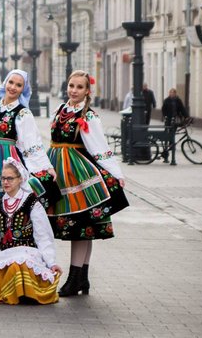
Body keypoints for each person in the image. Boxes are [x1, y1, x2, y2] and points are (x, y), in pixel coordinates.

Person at [47, 71, 128, 297]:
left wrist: (115, 173)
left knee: (81, 226)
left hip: (79, 175)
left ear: (87, 91)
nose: (73, 90)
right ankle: (82, 278)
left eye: (79, 87)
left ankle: (76, 278)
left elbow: (99, 148)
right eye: (71, 85)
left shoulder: (89, 117)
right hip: (59, 172)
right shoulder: (60, 110)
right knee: (82, 226)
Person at [0, 158, 62, 305]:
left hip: (26, 251)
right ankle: (14, 292)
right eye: (3, 178)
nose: (6, 182)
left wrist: (51, 263)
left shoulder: (32, 203)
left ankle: (24, 293)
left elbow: (43, 236)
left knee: (18, 265)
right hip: (4, 252)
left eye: (10, 178)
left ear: (20, 179)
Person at [0, 69, 55, 208]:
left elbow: (32, 144)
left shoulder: (23, 113)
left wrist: (45, 167)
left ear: (23, 90)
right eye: (11, 82)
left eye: (18, 85)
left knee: (6, 198)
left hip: (7, 160)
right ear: (5, 82)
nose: (13, 87)